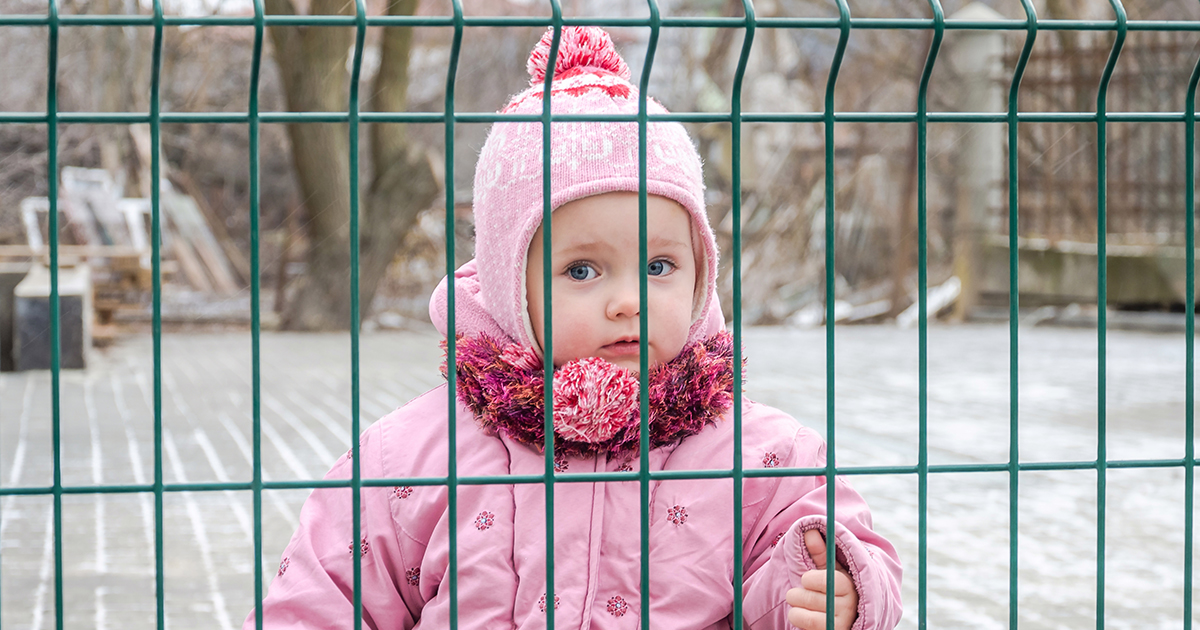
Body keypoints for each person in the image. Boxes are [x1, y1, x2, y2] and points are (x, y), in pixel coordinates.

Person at [245, 26, 902, 630]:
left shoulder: (762, 459)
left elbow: (841, 545)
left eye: (658, 265)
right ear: (509, 283)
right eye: (583, 270)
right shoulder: (411, 460)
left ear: (702, 273)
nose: (627, 301)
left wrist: (828, 588)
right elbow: (321, 598)